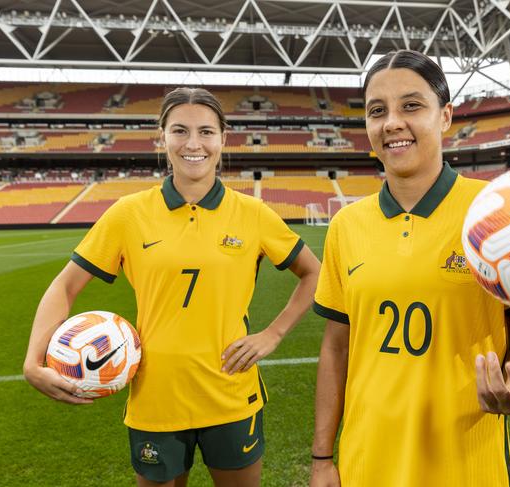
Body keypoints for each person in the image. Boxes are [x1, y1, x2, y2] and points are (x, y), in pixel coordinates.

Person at [23, 87, 321, 487]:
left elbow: (314, 273)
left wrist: (273, 333)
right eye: (180, 131)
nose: (193, 144)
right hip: (155, 399)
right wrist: (33, 360)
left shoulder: (254, 214)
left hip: (231, 395)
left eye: (206, 132)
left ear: (222, 139)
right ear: (161, 137)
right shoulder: (128, 214)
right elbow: (64, 286)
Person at [309, 50, 510, 487]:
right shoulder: (345, 225)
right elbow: (336, 349)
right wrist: (321, 458)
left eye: (411, 105)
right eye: (377, 111)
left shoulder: (498, 213)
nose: (392, 122)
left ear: (445, 116)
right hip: (366, 462)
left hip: (468, 463)